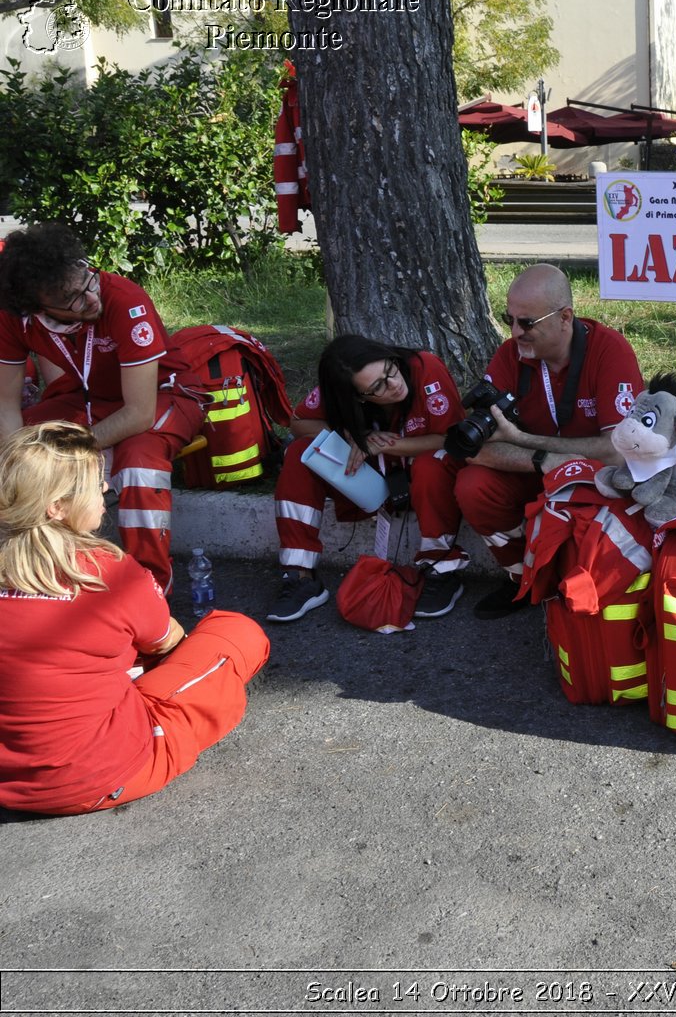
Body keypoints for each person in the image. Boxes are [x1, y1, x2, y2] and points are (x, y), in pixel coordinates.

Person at [0, 422, 270, 815]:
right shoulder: (108, 571)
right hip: (98, 776)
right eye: (95, 484)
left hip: (8, 779)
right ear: (56, 506)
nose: (105, 490)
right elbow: (167, 644)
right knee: (235, 632)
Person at [0, 223, 204, 592]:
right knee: (25, 445)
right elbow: (5, 407)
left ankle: (152, 583)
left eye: (88, 280)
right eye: (73, 300)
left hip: (165, 394)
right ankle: (33, 568)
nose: (91, 298)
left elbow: (139, 413)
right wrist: (21, 466)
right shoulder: (12, 318)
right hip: (87, 395)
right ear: (36, 307)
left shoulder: (124, 299)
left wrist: (67, 453)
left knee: (140, 461)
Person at [454, 263, 645, 618]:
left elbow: (620, 450)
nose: (514, 333)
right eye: (508, 318)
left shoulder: (610, 351)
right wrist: (541, 459)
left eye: (526, 323)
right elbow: (474, 448)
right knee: (473, 486)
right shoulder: (511, 355)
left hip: (595, 483)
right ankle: (520, 579)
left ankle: (579, 582)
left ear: (565, 317)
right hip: (537, 473)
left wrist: (524, 440)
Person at [265, 334, 470, 622]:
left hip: (423, 476)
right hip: (369, 478)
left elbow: (451, 440)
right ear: (357, 396)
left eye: (390, 370)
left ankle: (442, 568)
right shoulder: (340, 391)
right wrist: (351, 434)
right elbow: (298, 423)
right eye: (378, 387)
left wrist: (384, 444)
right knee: (301, 452)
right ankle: (300, 576)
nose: (394, 384)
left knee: (430, 466)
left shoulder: (424, 367)